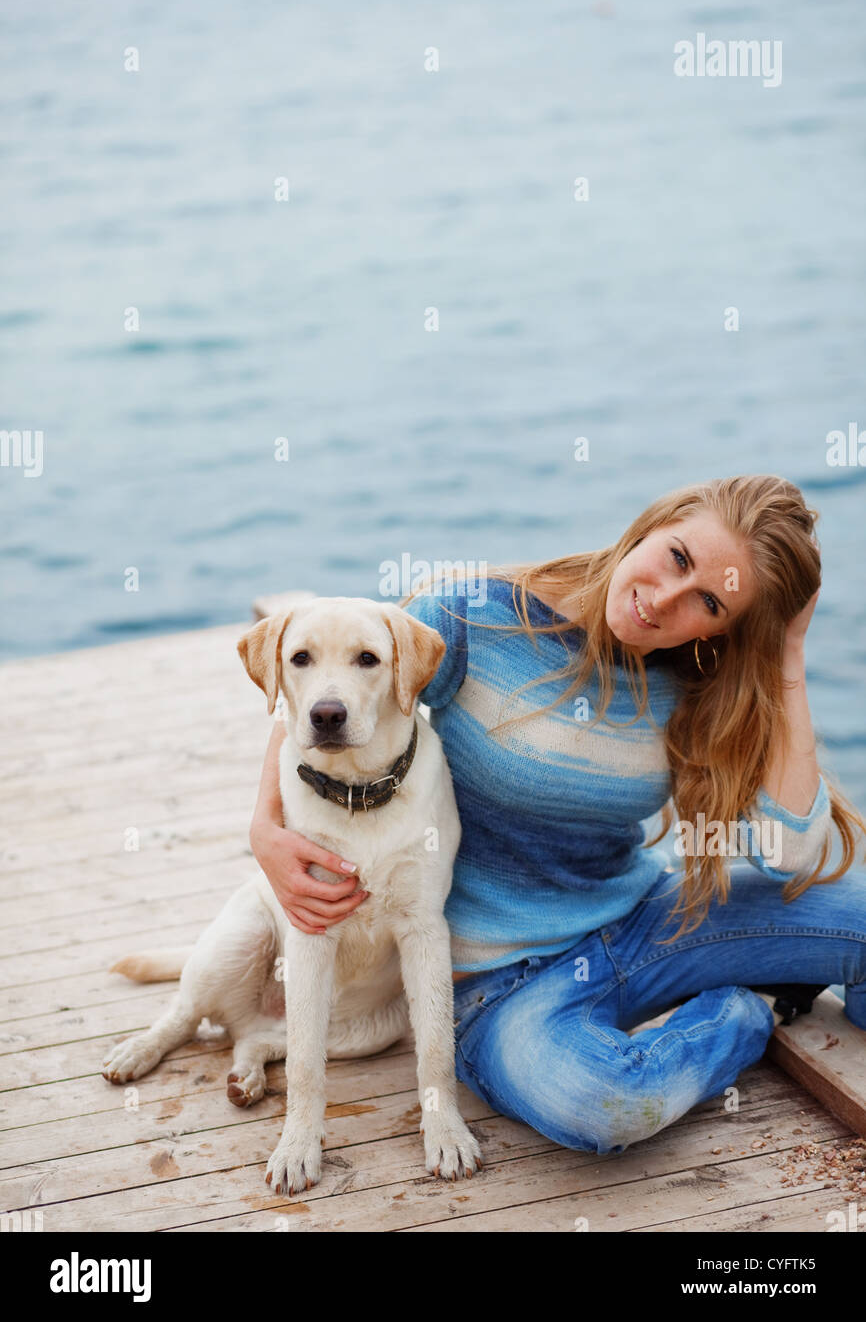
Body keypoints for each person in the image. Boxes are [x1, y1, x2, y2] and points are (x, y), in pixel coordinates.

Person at [248, 475, 866, 1156]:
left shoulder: (698, 676)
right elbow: (334, 688)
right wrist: (266, 829)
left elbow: (791, 855)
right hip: (498, 986)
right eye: (678, 558)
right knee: (606, 1105)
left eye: (709, 602)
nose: (665, 599)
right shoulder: (475, 616)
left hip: (644, 922)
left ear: (725, 626)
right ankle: (749, 1011)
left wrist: (786, 654)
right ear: (653, 523)